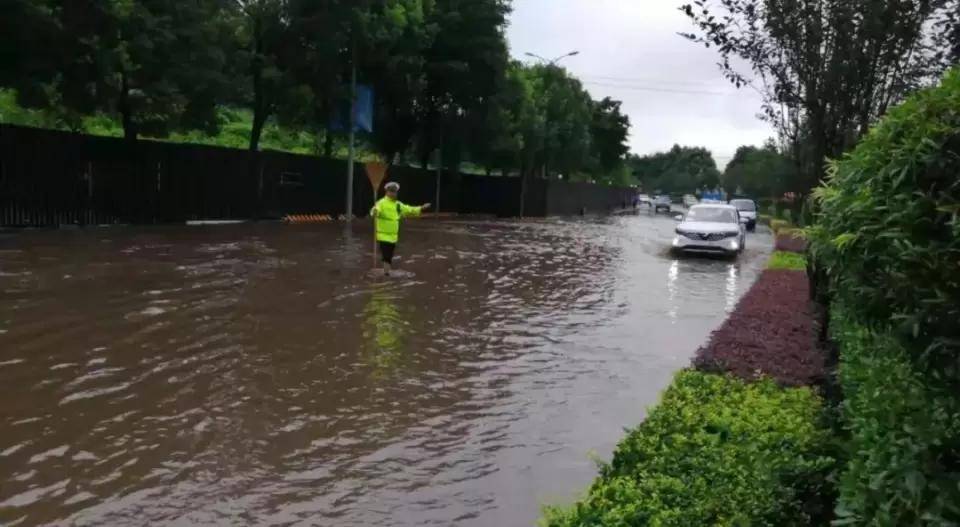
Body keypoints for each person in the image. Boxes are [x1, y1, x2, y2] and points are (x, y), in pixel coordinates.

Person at [370, 182, 430, 275]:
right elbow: (375, 211)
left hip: (393, 236)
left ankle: (386, 272)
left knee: (389, 256)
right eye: (391, 191)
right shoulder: (381, 203)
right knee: (387, 256)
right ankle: (386, 275)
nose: (393, 193)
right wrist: (375, 212)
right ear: (387, 192)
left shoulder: (398, 204)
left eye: (395, 192)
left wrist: (421, 208)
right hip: (383, 235)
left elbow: (409, 209)